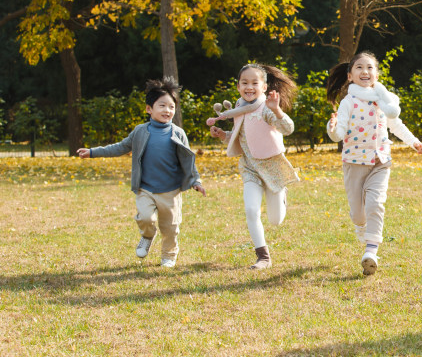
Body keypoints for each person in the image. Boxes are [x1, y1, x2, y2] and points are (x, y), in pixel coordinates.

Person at [77, 77, 205, 268]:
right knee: (146, 218)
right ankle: (147, 235)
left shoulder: (178, 133)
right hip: (145, 188)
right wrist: (93, 152)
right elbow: (120, 147)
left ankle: (168, 256)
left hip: (170, 191)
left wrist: (196, 180)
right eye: (162, 105)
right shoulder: (140, 132)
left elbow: (188, 160)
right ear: (149, 109)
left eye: (171, 107)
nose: (167, 110)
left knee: (170, 228)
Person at [326, 52, 422, 276]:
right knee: (358, 215)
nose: (365, 71)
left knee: (375, 204)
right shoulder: (348, 102)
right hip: (354, 163)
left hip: (381, 161)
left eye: (370, 67)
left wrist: (414, 142)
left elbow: (396, 126)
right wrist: (332, 129)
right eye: (359, 67)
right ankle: (362, 228)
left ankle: (371, 251)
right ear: (350, 75)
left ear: (376, 74)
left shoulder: (384, 101)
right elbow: (339, 132)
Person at [209, 63, 299, 269]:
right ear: (238, 86)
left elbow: (288, 129)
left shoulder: (265, 109)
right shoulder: (238, 109)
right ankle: (263, 257)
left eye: (254, 83)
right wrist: (224, 135)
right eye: (244, 83)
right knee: (251, 210)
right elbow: (243, 137)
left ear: (264, 87)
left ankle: (281, 193)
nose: (249, 87)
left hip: (272, 168)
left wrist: (276, 110)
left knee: (275, 220)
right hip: (250, 169)